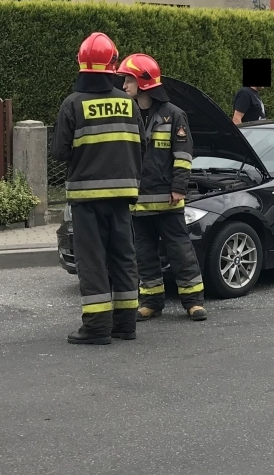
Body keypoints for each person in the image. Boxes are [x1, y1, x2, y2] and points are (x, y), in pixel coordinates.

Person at [52, 33, 142, 344]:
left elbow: (60, 152)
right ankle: (126, 324)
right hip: (122, 197)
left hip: (87, 198)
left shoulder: (72, 104)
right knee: (123, 258)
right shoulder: (129, 103)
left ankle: (96, 327)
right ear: (112, 66)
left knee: (92, 261)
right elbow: (140, 145)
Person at [117, 53, 207, 323]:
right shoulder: (127, 113)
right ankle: (151, 302)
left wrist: (179, 187)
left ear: (143, 82)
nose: (124, 87)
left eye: (128, 80)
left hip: (168, 200)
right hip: (138, 201)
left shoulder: (174, 116)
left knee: (180, 252)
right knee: (144, 255)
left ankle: (193, 302)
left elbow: (183, 155)